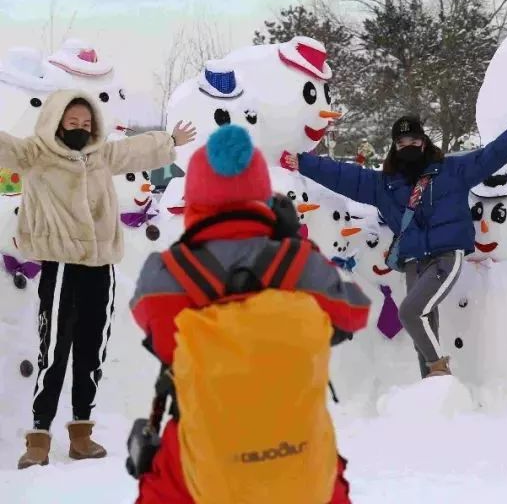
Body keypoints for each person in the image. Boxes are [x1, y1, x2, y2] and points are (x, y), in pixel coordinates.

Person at [129, 125, 370, 503]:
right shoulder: (298, 262)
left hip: (199, 458)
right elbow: (354, 312)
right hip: (298, 452)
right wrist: (297, 247)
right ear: (264, 197)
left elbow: (152, 328)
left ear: (193, 200)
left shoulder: (165, 274)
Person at [0, 90, 195, 469]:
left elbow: (135, 150)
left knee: (92, 348)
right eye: (72, 123)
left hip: (99, 266)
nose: (79, 129)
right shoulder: (37, 154)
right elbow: (6, 147)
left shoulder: (101, 155)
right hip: (60, 266)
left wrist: (169, 141)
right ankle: (39, 436)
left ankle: (81, 434)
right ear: (57, 122)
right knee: (54, 351)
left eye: (86, 124)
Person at [286, 113, 507, 378]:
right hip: (413, 262)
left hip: (445, 255)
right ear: (395, 147)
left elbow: (491, 155)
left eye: (412, 139)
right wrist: (304, 163)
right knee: (424, 321)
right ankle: (431, 386)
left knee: (410, 312)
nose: (407, 146)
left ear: (423, 141)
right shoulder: (384, 185)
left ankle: (439, 372)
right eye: (401, 142)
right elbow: (346, 176)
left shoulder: (452, 171)